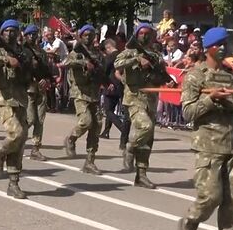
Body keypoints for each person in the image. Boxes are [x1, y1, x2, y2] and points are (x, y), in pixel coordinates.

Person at [179, 27, 233, 230]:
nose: (223, 48)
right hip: (209, 145)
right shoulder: (195, 76)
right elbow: (188, 112)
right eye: (219, 44)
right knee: (211, 196)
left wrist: (231, 101)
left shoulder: (231, 76)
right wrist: (211, 99)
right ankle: (191, 222)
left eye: (225, 44)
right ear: (209, 47)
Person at [0, 19, 34, 199]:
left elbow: (28, 74)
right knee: (16, 132)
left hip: (20, 98)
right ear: (2, 33)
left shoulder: (24, 51)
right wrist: (4, 59)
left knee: (21, 140)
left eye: (14, 31)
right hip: (2, 97)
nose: (10, 34)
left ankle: (14, 182)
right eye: (7, 31)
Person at [113, 23, 170, 187]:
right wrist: (137, 59)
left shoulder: (157, 55)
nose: (145, 36)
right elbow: (118, 65)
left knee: (148, 138)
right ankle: (130, 147)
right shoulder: (129, 52)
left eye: (148, 33)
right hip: (134, 98)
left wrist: (164, 78)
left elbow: (161, 75)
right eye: (142, 33)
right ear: (137, 35)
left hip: (151, 99)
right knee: (145, 126)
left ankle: (141, 174)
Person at [62, 24, 106, 174]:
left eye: (91, 35)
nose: (88, 37)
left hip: (94, 93)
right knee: (85, 121)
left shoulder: (97, 53)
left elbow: (102, 70)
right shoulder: (76, 52)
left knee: (96, 126)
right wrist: (83, 63)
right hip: (80, 93)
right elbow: (66, 63)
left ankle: (90, 161)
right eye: (85, 35)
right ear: (81, 36)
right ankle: (71, 138)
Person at [23, 24, 53, 161]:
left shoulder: (41, 52)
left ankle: (35, 148)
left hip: (40, 89)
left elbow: (48, 70)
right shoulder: (23, 51)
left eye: (34, 34)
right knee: (30, 119)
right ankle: (17, 139)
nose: (33, 37)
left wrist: (46, 80)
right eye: (30, 34)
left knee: (40, 120)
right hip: (28, 89)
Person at [99, 38, 129, 149]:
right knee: (110, 108)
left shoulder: (111, 56)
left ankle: (122, 128)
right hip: (120, 85)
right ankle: (106, 131)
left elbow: (104, 70)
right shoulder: (122, 55)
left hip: (111, 85)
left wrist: (104, 82)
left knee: (108, 110)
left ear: (108, 47)